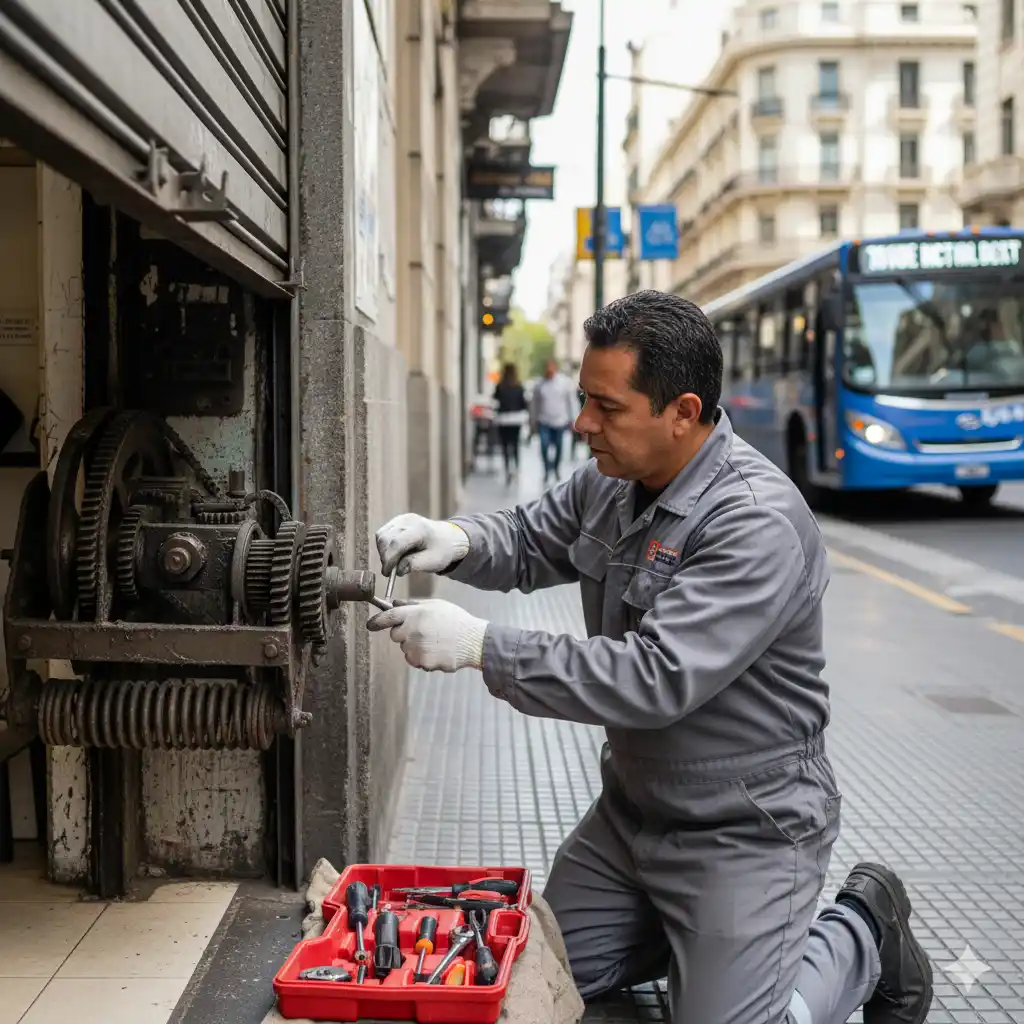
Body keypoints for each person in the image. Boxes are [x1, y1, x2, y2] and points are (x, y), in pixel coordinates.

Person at [369, 291, 932, 1024]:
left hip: (742, 829)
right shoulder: (611, 480)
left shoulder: (755, 521)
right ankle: (698, 942)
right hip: (632, 817)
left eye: (607, 407)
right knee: (525, 982)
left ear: (683, 412)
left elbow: (654, 676)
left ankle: (861, 929)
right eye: (583, 399)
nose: (583, 424)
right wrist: (457, 539)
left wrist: (480, 645)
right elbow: (533, 534)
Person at [531, 357, 579, 484]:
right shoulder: (539, 385)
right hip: (544, 421)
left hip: (560, 421)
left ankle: (556, 468)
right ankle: (547, 470)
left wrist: (574, 420)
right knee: (544, 446)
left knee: (559, 447)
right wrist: (532, 421)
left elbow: (572, 402)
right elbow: (534, 404)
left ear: (555, 368)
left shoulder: (564, 383)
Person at [493, 363, 529, 484]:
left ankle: (507, 468)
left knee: (505, 445)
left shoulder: (500, 386)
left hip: (503, 419)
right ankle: (517, 468)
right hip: (515, 419)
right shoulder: (519, 386)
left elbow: (495, 401)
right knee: (515, 444)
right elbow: (524, 403)